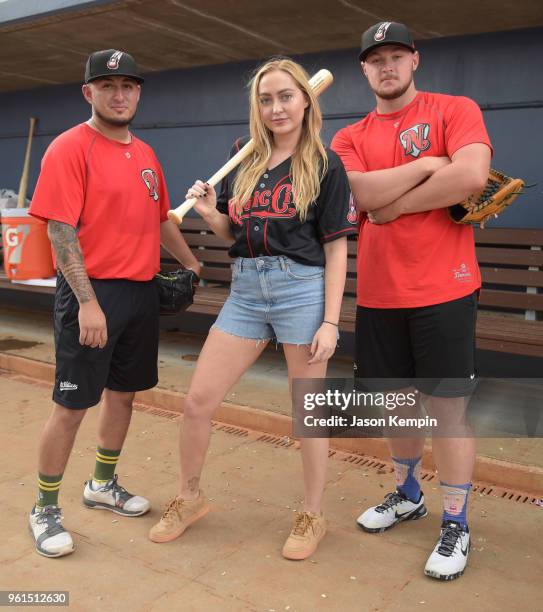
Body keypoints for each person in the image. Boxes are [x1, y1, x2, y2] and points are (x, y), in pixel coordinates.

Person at [149, 58, 357, 560]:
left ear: (306, 100)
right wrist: (208, 213)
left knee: (307, 412)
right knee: (198, 400)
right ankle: (190, 496)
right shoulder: (241, 157)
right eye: (266, 99)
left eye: (286, 96)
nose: (276, 107)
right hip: (246, 289)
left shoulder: (326, 164)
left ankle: (312, 513)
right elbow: (233, 234)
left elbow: (335, 249)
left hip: (302, 291)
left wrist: (331, 321)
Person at [331, 22, 492, 580]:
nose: (387, 66)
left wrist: (395, 204)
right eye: (376, 59)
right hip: (380, 293)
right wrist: (428, 167)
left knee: (446, 409)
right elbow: (355, 192)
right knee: (397, 405)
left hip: (445, 286)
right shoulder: (348, 137)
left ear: (415, 60)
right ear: (364, 70)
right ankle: (407, 492)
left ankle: (455, 521)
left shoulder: (454, 109)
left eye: (397, 55)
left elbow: (470, 174)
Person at [27, 49, 201, 558]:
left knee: (124, 395)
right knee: (71, 405)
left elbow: (160, 218)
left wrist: (190, 263)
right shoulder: (69, 148)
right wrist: (87, 302)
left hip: (140, 292)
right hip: (91, 293)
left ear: (138, 92)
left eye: (128, 86)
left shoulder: (145, 154)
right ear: (89, 93)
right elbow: (60, 231)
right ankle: (44, 508)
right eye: (108, 86)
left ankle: (102, 484)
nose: (119, 95)